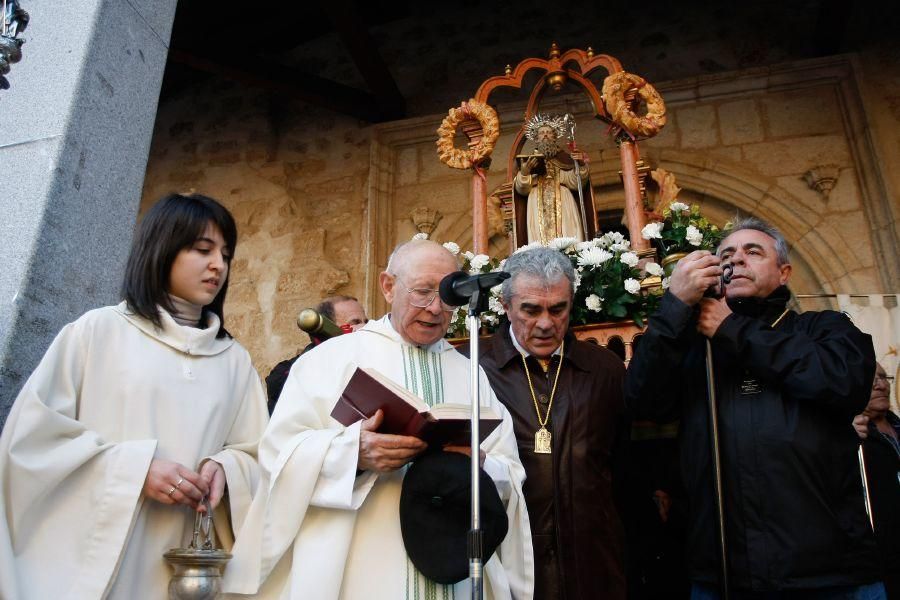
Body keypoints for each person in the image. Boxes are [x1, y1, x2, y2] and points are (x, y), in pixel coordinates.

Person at [222, 239, 533, 599]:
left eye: (447, 295)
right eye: (421, 292)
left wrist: (477, 466)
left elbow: (510, 469)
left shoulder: (470, 373)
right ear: (388, 286)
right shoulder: (329, 361)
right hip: (359, 566)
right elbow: (278, 455)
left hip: (453, 563)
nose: (435, 309)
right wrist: (353, 453)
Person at [0, 193, 268, 598]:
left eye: (226, 255)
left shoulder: (235, 361)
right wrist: (135, 470)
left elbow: (259, 453)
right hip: (103, 553)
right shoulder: (97, 333)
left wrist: (226, 468)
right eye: (202, 249)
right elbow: (30, 440)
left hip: (188, 563)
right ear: (161, 249)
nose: (219, 265)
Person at [625, 216, 884, 598]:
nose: (737, 259)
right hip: (724, 575)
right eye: (726, 253)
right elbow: (642, 400)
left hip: (830, 574)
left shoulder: (821, 329)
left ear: (784, 272)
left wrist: (732, 329)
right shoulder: (694, 346)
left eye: (753, 251)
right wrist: (674, 307)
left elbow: (843, 380)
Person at [470, 246, 628, 599]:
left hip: (592, 561)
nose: (545, 323)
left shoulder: (604, 369)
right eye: (530, 310)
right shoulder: (470, 366)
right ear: (505, 305)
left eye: (558, 309)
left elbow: (623, 464)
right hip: (508, 557)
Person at [265, 295, 369, 412]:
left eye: (366, 322)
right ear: (327, 327)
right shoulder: (287, 373)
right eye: (355, 322)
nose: (364, 327)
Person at [854, 363, 900, 598]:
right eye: (871, 380)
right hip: (877, 554)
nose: (880, 385)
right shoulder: (854, 436)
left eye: (884, 378)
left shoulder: (897, 427)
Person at [515, 113, 591, 245]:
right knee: (538, 242)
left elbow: (574, 183)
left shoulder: (565, 159)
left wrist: (581, 165)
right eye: (541, 133)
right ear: (536, 138)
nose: (545, 135)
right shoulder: (529, 161)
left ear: (554, 137)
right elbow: (521, 190)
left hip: (563, 200)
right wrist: (524, 173)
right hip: (536, 201)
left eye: (549, 132)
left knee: (568, 240)